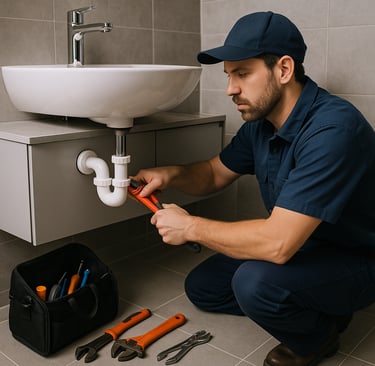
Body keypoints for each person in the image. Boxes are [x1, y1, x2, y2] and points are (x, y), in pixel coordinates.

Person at [132, 11, 375, 366]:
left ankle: (317, 338)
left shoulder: (333, 130)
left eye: (243, 74)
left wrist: (190, 227)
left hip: (357, 258)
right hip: (306, 245)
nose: (231, 88)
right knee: (204, 286)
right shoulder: (262, 124)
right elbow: (214, 174)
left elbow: (277, 244)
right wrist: (169, 175)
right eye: (229, 75)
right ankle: (322, 308)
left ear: (284, 70)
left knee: (254, 283)